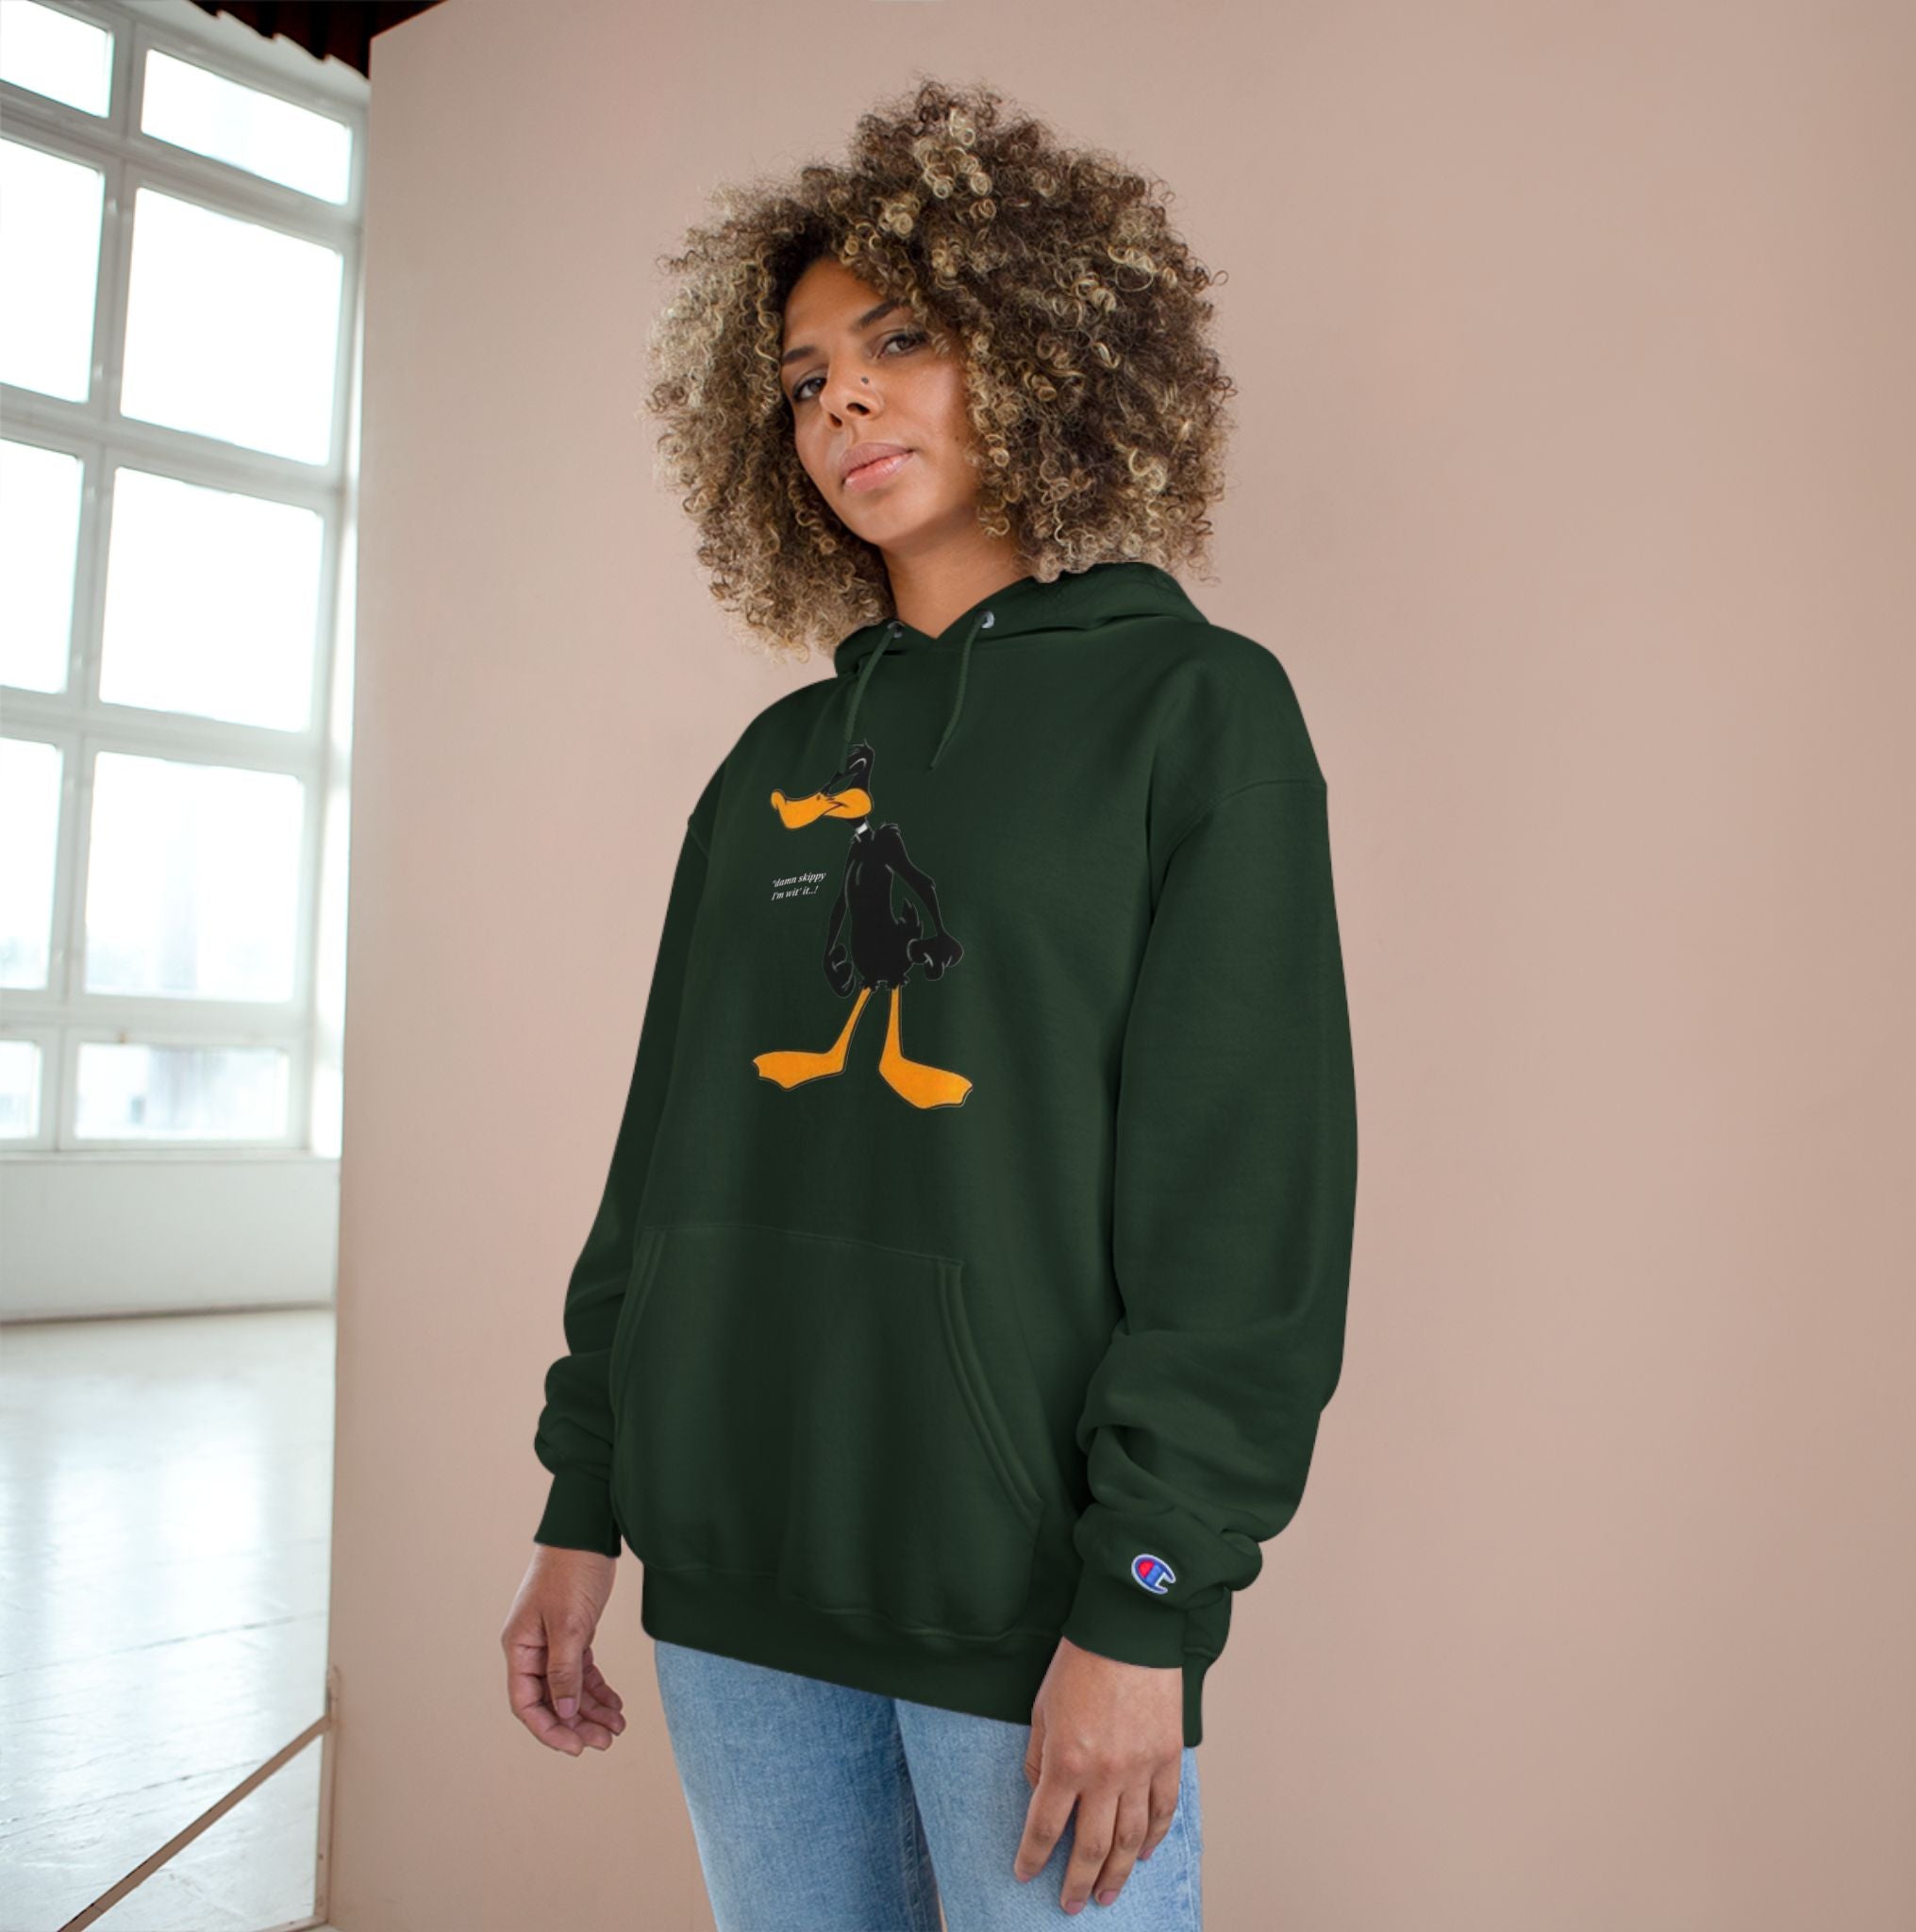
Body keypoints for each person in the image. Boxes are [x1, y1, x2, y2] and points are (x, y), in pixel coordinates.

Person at [500, 76, 1358, 1929]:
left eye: (898, 342)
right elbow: (665, 1165)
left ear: (1041, 351)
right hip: (731, 1588)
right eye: (804, 377)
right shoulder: (770, 765)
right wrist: (585, 1501)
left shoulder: (1195, 714)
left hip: (1023, 1609)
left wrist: (1147, 1599)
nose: (844, 404)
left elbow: (1245, 1207)